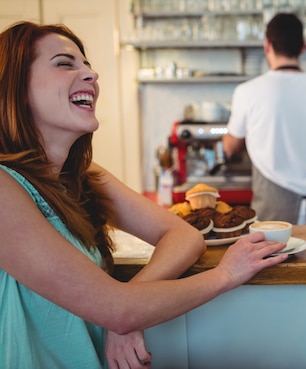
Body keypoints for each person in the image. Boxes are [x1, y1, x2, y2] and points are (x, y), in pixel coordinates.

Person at [0, 21, 288, 369]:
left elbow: (182, 234)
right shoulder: (5, 188)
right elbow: (118, 310)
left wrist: (128, 306)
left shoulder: (84, 176)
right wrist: (224, 275)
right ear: (15, 86)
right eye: (65, 63)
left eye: (87, 65)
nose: (91, 75)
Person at [223, 13, 306, 225]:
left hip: (274, 212)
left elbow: (230, 147)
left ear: (267, 46)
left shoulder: (247, 92)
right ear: (302, 47)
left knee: (277, 259)